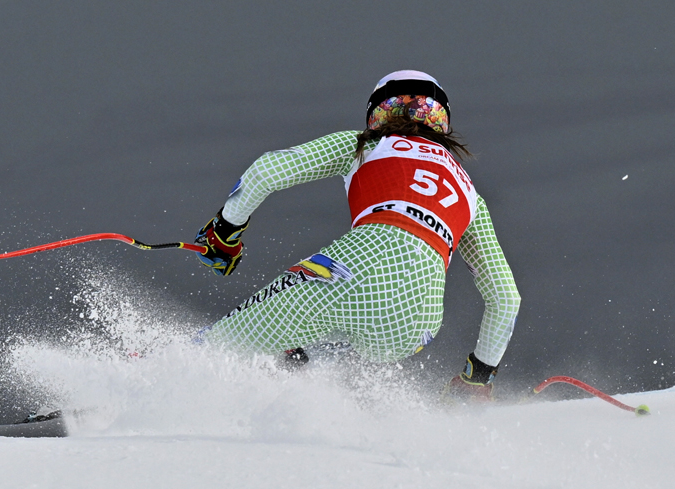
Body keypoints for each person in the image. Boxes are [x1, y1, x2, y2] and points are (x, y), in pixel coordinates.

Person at [194, 70, 520, 400]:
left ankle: (163, 376)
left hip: (356, 266)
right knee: (320, 347)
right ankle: (298, 389)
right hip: (417, 324)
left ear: (377, 110)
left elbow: (267, 171)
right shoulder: (470, 195)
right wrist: (477, 376)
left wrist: (225, 232)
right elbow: (506, 299)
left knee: (214, 351)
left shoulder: (366, 145)